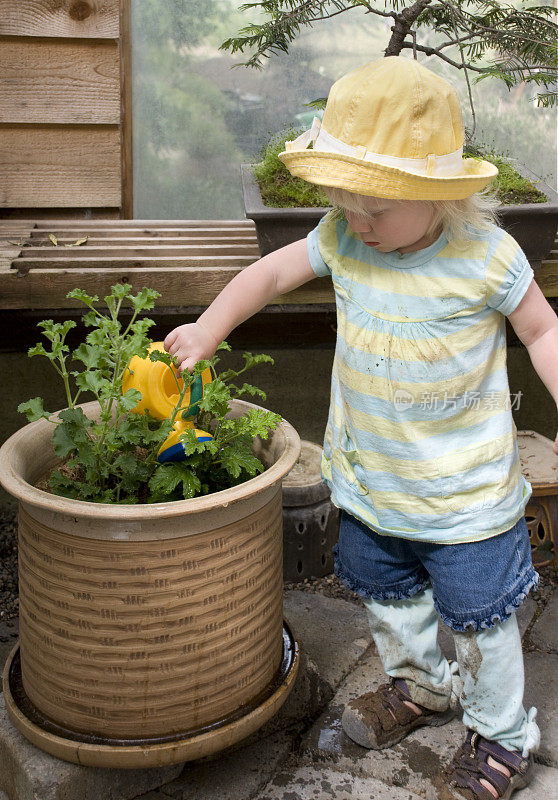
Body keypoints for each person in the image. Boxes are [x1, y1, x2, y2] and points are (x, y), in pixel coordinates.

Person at [164, 57, 558, 799]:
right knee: (390, 598)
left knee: (481, 619)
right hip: (374, 481)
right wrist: (210, 329)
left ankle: (502, 737)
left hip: (466, 498)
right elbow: (272, 274)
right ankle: (422, 688)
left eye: (376, 208)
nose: (360, 224)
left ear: (437, 193)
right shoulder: (344, 236)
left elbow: (542, 333)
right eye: (346, 206)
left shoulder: (486, 256)